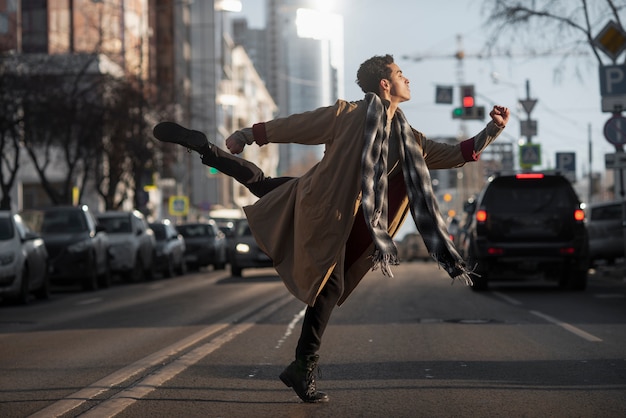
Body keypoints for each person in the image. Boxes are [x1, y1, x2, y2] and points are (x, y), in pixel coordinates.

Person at [153, 54, 510, 403]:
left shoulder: (408, 137)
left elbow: (453, 153)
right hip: (324, 213)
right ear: (385, 85)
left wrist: (492, 129)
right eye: (401, 73)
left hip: (322, 204)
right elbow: (300, 125)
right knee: (330, 285)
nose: (408, 79)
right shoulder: (348, 113)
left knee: (262, 185)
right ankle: (302, 367)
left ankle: (206, 149)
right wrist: (249, 133)